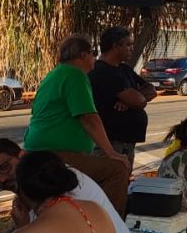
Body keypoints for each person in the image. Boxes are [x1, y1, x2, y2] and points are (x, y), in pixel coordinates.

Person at [23, 35, 130, 215]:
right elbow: (89, 118)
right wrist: (111, 153)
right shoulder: (75, 75)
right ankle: (110, 223)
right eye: (93, 53)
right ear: (83, 55)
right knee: (117, 169)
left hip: (38, 149)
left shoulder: (55, 74)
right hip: (55, 153)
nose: (95, 58)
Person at [89, 27, 157, 167]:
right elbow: (139, 101)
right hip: (111, 144)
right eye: (128, 44)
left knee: (123, 178)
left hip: (126, 144)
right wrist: (134, 99)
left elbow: (151, 90)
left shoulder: (124, 69)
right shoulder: (102, 71)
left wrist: (129, 101)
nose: (132, 48)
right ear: (115, 46)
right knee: (111, 179)